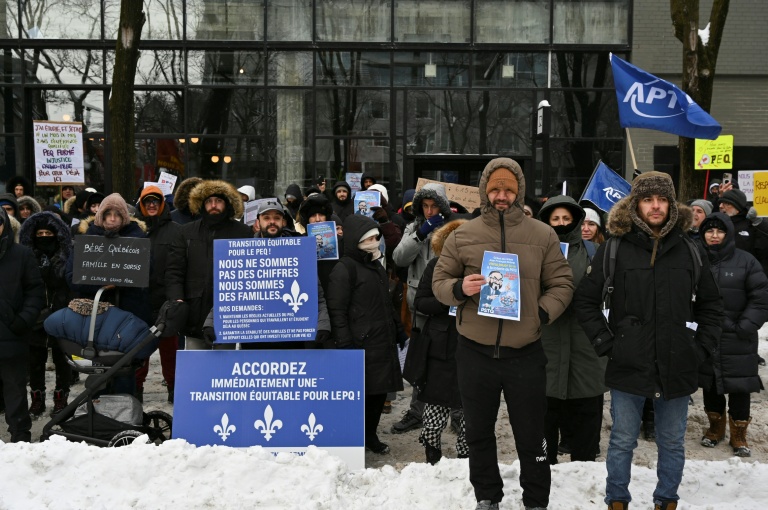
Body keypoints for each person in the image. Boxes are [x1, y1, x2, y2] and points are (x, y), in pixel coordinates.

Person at [574, 171, 723, 510]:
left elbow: (713, 306)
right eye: (648, 199)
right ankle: (617, 501)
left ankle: (666, 501)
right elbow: (585, 301)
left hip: (678, 364)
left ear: (671, 204)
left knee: (672, 442)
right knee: (623, 441)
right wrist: (607, 343)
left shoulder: (690, 248)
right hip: (628, 363)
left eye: (662, 200)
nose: (655, 206)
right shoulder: (614, 247)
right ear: (636, 204)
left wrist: (699, 349)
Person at [432, 157, 574, 510]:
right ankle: (487, 497)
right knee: (479, 433)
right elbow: (438, 283)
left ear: (519, 191)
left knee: (531, 435)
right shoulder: (462, 234)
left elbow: (562, 283)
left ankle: (536, 500)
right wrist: (461, 287)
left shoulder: (542, 234)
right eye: (495, 188)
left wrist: (540, 314)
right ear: (484, 190)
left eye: (509, 189)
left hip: (525, 351)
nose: (501, 195)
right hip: (475, 351)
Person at [327, 214, 406, 455]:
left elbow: (386, 302)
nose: (374, 242)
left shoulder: (375, 264)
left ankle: (370, 434)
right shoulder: (345, 268)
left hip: (382, 340)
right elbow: (337, 310)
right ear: (356, 241)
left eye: (376, 238)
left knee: (377, 394)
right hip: (360, 342)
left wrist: (398, 329)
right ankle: (355, 437)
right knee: (360, 395)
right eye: (369, 238)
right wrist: (345, 344)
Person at [537, 196, 606, 464]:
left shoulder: (595, 252)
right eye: (555, 219)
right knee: (544, 427)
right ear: (546, 221)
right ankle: (543, 480)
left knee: (586, 425)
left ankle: (584, 474)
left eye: (566, 219)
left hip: (586, 351)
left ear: (577, 221)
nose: (561, 223)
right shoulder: (536, 251)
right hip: (547, 349)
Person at [66, 193, 153, 397]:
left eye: (117, 214)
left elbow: (147, 273)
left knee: (125, 369)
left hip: (129, 315)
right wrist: (101, 282)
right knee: (97, 369)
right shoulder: (87, 240)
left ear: (125, 217)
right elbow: (71, 276)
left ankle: (125, 415)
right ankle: (98, 417)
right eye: (107, 214)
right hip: (96, 317)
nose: (112, 218)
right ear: (100, 216)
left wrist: (121, 281)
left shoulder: (138, 240)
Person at [697, 213, 768, 458]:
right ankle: (715, 427)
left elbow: (761, 298)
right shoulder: (697, 259)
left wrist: (744, 326)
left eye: (719, 231)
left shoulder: (746, 261)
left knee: (739, 387)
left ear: (728, 234)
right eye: (709, 231)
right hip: (707, 334)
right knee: (711, 383)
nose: (714, 236)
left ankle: (739, 433)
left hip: (739, 337)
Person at [392, 183, 455, 434]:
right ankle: (417, 412)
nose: (429, 211)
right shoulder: (413, 228)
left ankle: (458, 415)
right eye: (425, 206)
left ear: (443, 207)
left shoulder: (453, 229)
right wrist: (420, 234)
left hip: (447, 304)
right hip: (419, 306)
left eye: (434, 206)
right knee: (421, 363)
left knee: (453, 361)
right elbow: (399, 258)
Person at [166, 180, 253, 349]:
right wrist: (177, 298)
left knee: (224, 369)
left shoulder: (243, 232)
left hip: (229, 313)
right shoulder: (186, 232)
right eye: (209, 201)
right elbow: (174, 270)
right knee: (196, 366)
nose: (213, 205)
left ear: (227, 204)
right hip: (194, 311)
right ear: (201, 205)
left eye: (218, 201)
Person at [413, 218, 469, 465]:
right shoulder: (435, 266)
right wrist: (449, 298)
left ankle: (467, 453)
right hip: (439, 347)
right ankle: (432, 450)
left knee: (470, 406)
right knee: (435, 405)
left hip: (471, 345)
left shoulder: (480, 268)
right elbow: (420, 302)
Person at [19, 211, 73, 416]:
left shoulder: (67, 255)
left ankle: (61, 397)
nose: (43, 236)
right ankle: (37, 398)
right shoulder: (27, 257)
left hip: (62, 312)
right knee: (35, 360)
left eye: (47, 233)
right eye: (39, 233)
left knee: (62, 358)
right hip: (35, 313)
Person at [0, 207, 45, 441]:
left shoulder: (22, 255)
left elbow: (35, 292)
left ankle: (20, 438)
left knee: (15, 389)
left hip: (13, 335)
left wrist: (22, 321)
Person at [134, 186, 182, 403]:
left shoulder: (175, 230)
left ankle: (174, 388)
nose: (151, 205)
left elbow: (178, 265)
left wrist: (176, 296)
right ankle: (136, 389)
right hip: (140, 300)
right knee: (138, 350)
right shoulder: (134, 229)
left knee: (170, 351)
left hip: (165, 298)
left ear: (162, 203)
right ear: (141, 205)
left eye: (155, 201)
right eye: (147, 202)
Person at [717, 188, 768, 273]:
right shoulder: (717, 224)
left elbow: (763, 252)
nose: (721, 206)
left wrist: (760, 224)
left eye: (727, 203)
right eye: (720, 203)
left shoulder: (752, 225)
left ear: (737, 207)